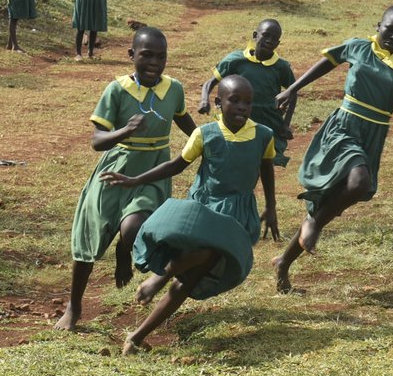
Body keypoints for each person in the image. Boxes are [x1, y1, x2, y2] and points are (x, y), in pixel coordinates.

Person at [103, 73, 279, 355]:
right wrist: (134, 180)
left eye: (248, 102)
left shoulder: (263, 135)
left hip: (238, 217)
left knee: (196, 270)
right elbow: (175, 166)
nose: (242, 107)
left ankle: (148, 307)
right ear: (218, 102)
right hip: (205, 210)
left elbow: (266, 169)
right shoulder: (204, 134)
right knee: (193, 272)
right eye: (234, 100)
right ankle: (138, 332)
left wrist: (271, 207)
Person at [271, 7, 393, 292]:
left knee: (329, 201)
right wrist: (293, 88)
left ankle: (284, 261)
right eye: (389, 29)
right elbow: (327, 62)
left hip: (374, 133)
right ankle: (314, 225)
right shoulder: (359, 46)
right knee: (360, 183)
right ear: (378, 25)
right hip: (344, 127)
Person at [54, 27, 197, 331]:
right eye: (146, 55)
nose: (154, 62)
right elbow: (97, 140)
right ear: (131, 55)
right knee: (90, 237)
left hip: (154, 169)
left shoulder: (173, 89)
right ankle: (74, 305)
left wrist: (204, 140)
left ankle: (124, 251)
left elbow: (183, 119)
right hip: (117, 167)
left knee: (134, 227)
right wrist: (125, 131)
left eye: (161, 56)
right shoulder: (117, 90)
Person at [198, 18, 297, 167]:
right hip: (236, 120)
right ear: (255, 35)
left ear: (278, 44)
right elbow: (210, 82)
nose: (270, 41)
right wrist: (204, 100)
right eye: (266, 35)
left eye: (275, 39)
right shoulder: (235, 60)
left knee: (262, 163)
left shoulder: (280, 67)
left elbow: (293, 92)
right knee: (231, 159)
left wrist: (285, 123)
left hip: (267, 123)